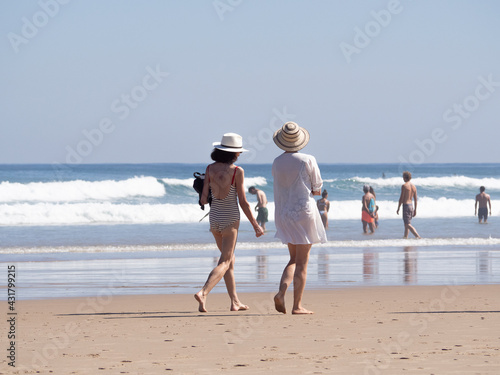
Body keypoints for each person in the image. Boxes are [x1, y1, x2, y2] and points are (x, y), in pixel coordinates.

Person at [195, 133, 264, 312]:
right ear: (233, 153)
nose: (239, 154)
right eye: (238, 152)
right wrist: (256, 225)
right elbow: (243, 201)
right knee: (225, 261)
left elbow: (203, 200)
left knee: (229, 260)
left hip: (214, 219)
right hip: (230, 219)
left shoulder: (209, 169)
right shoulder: (237, 171)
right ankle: (203, 292)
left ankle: (235, 302)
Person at [272, 122, 327, 315]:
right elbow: (317, 188)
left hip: (284, 213)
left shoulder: (277, 161)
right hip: (303, 211)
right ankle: (297, 306)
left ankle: (281, 292)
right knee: (303, 262)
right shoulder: (307, 159)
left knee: (293, 258)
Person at [396, 171, 421, 239]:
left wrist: (398, 208)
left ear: (405, 177)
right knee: (406, 224)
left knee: (407, 224)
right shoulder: (414, 187)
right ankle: (405, 237)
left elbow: (401, 198)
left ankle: (418, 236)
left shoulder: (404, 186)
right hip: (411, 206)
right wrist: (415, 209)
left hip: (406, 205)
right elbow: (415, 199)